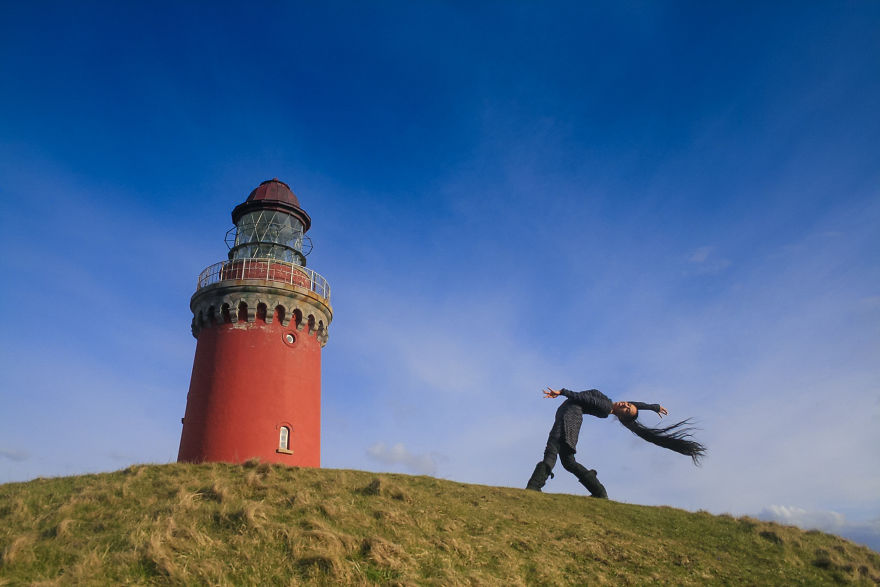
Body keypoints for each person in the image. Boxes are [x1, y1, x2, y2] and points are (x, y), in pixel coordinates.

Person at [525, 387, 706, 498]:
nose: (625, 405)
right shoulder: (610, 404)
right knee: (568, 462)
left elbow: (584, 398)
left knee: (553, 450)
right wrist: (653, 407)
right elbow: (633, 404)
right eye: (627, 405)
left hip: (569, 418)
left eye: (626, 409)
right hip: (570, 417)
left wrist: (562, 392)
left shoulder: (605, 406)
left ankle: (534, 486)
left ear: (620, 416)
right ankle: (599, 492)